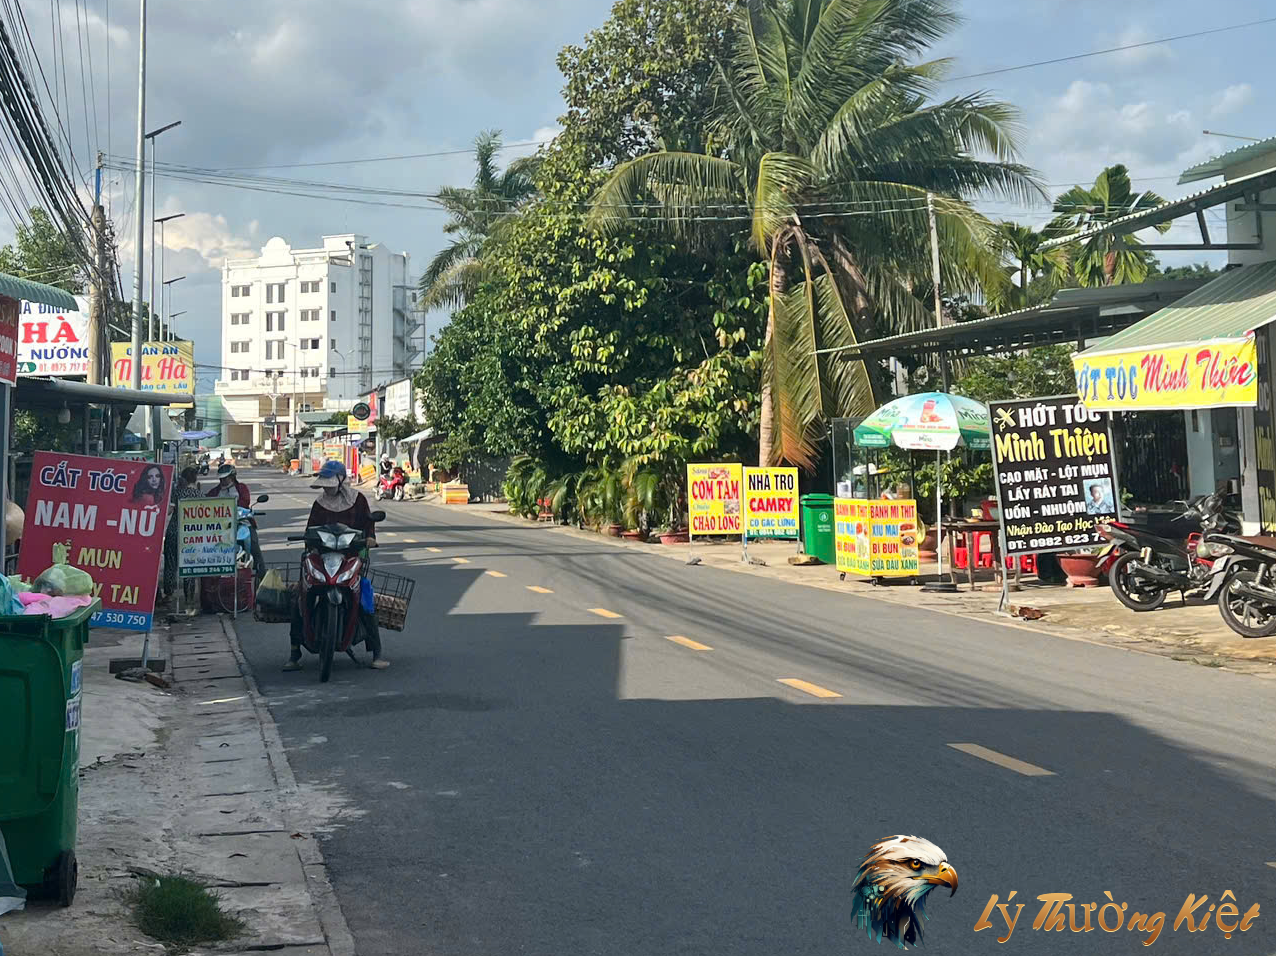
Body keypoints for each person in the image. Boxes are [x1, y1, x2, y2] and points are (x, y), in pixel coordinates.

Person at [285, 460, 389, 671]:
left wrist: (370, 538)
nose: (327, 487)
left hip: (351, 555)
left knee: (365, 599)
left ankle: (376, 652)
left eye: (330, 483)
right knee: (299, 597)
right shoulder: (319, 503)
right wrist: (309, 542)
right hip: (323, 556)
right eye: (325, 483)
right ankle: (294, 652)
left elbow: (369, 523)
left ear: (342, 481)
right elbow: (310, 528)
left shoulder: (358, 500)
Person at [207, 463, 265, 579]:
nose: (223, 480)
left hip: (242, 522)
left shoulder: (241, 488)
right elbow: (207, 503)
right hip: (221, 527)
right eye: (221, 478)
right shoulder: (215, 492)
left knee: (254, 546)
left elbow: (245, 502)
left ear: (232, 477)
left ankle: (261, 573)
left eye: (226, 478)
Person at [163, 467, 203, 599]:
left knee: (170, 564)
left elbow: (168, 511)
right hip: (192, 535)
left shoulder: (177, 493)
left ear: (183, 479)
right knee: (189, 566)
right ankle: (189, 597)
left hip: (174, 532)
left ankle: (168, 594)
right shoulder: (201, 496)